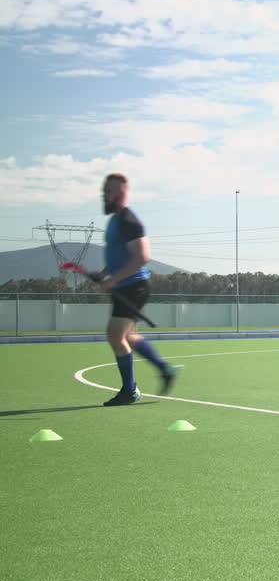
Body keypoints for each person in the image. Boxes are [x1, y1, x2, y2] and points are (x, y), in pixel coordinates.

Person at [94, 173, 179, 406]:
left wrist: (112, 280)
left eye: (108, 190)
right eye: (104, 190)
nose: (105, 194)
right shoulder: (115, 220)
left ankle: (130, 390)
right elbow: (121, 252)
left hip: (133, 286)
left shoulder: (128, 219)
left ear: (120, 193)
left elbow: (142, 256)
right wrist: (105, 273)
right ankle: (165, 368)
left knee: (115, 335)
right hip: (126, 284)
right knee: (128, 336)